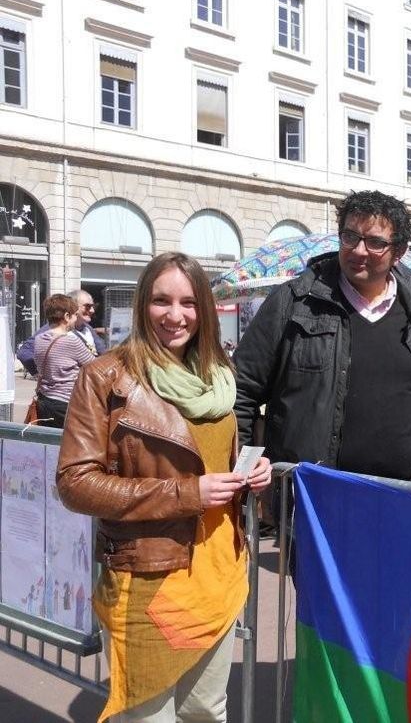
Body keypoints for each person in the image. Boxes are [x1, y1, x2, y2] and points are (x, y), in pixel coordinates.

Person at [56, 252, 272, 721]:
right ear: (142, 305)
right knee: (148, 714)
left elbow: (215, 461)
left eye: (189, 302)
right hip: (149, 578)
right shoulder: (106, 377)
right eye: (161, 301)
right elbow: (75, 483)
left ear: (205, 311)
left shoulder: (217, 377)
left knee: (206, 711)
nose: (176, 315)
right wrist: (186, 494)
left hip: (218, 570)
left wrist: (250, 471)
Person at [233, 190, 411, 485]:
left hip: (407, 496)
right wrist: (246, 466)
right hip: (313, 497)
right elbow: (241, 391)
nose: (358, 250)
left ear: (400, 250)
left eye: (375, 242)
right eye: (350, 237)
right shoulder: (293, 302)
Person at [32, 294, 96, 428]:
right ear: (67, 316)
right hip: (66, 403)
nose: (75, 319)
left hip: (44, 401)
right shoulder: (71, 340)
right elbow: (94, 366)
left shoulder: (39, 339)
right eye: (74, 315)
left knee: (50, 443)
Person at [70, 289, 108, 356]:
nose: (92, 310)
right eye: (88, 307)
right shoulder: (57, 331)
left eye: (92, 306)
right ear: (72, 306)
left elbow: (102, 351)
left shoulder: (87, 327)